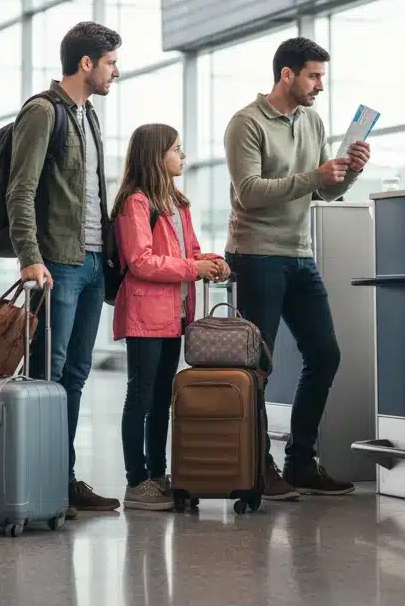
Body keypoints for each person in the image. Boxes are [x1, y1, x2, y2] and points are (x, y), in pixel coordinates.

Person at [224, 37, 370, 501]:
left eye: (322, 77)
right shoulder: (246, 123)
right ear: (287, 74)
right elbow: (249, 191)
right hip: (256, 255)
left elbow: (323, 194)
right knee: (258, 366)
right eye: (314, 76)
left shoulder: (313, 121)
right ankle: (258, 465)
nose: (320, 86)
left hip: (299, 255)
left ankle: (301, 462)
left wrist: (349, 173)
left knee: (325, 356)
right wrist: (315, 176)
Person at [6, 21, 122, 514]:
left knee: (74, 373)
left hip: (93, 262)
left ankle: (63, 477)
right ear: (87, 63)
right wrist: (31, 257)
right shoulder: (42, 112)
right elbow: (21, 190)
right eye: (112, 62)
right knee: (46, 374)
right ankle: (37, 481)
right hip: (57, 264)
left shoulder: (89, 115)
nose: (117, 71)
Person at [111, 124, 229, 511]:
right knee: (141, 397)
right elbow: (141, 262)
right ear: (155, 155)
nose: (183, 156)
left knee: (163, 397)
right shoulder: (136, 203)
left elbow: (191, 252)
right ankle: (135, 481)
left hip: (176, 314)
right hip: (146, 314)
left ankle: (157, 475)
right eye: (176, 149)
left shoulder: (178, 203)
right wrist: (195, 269)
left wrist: (213, 262)